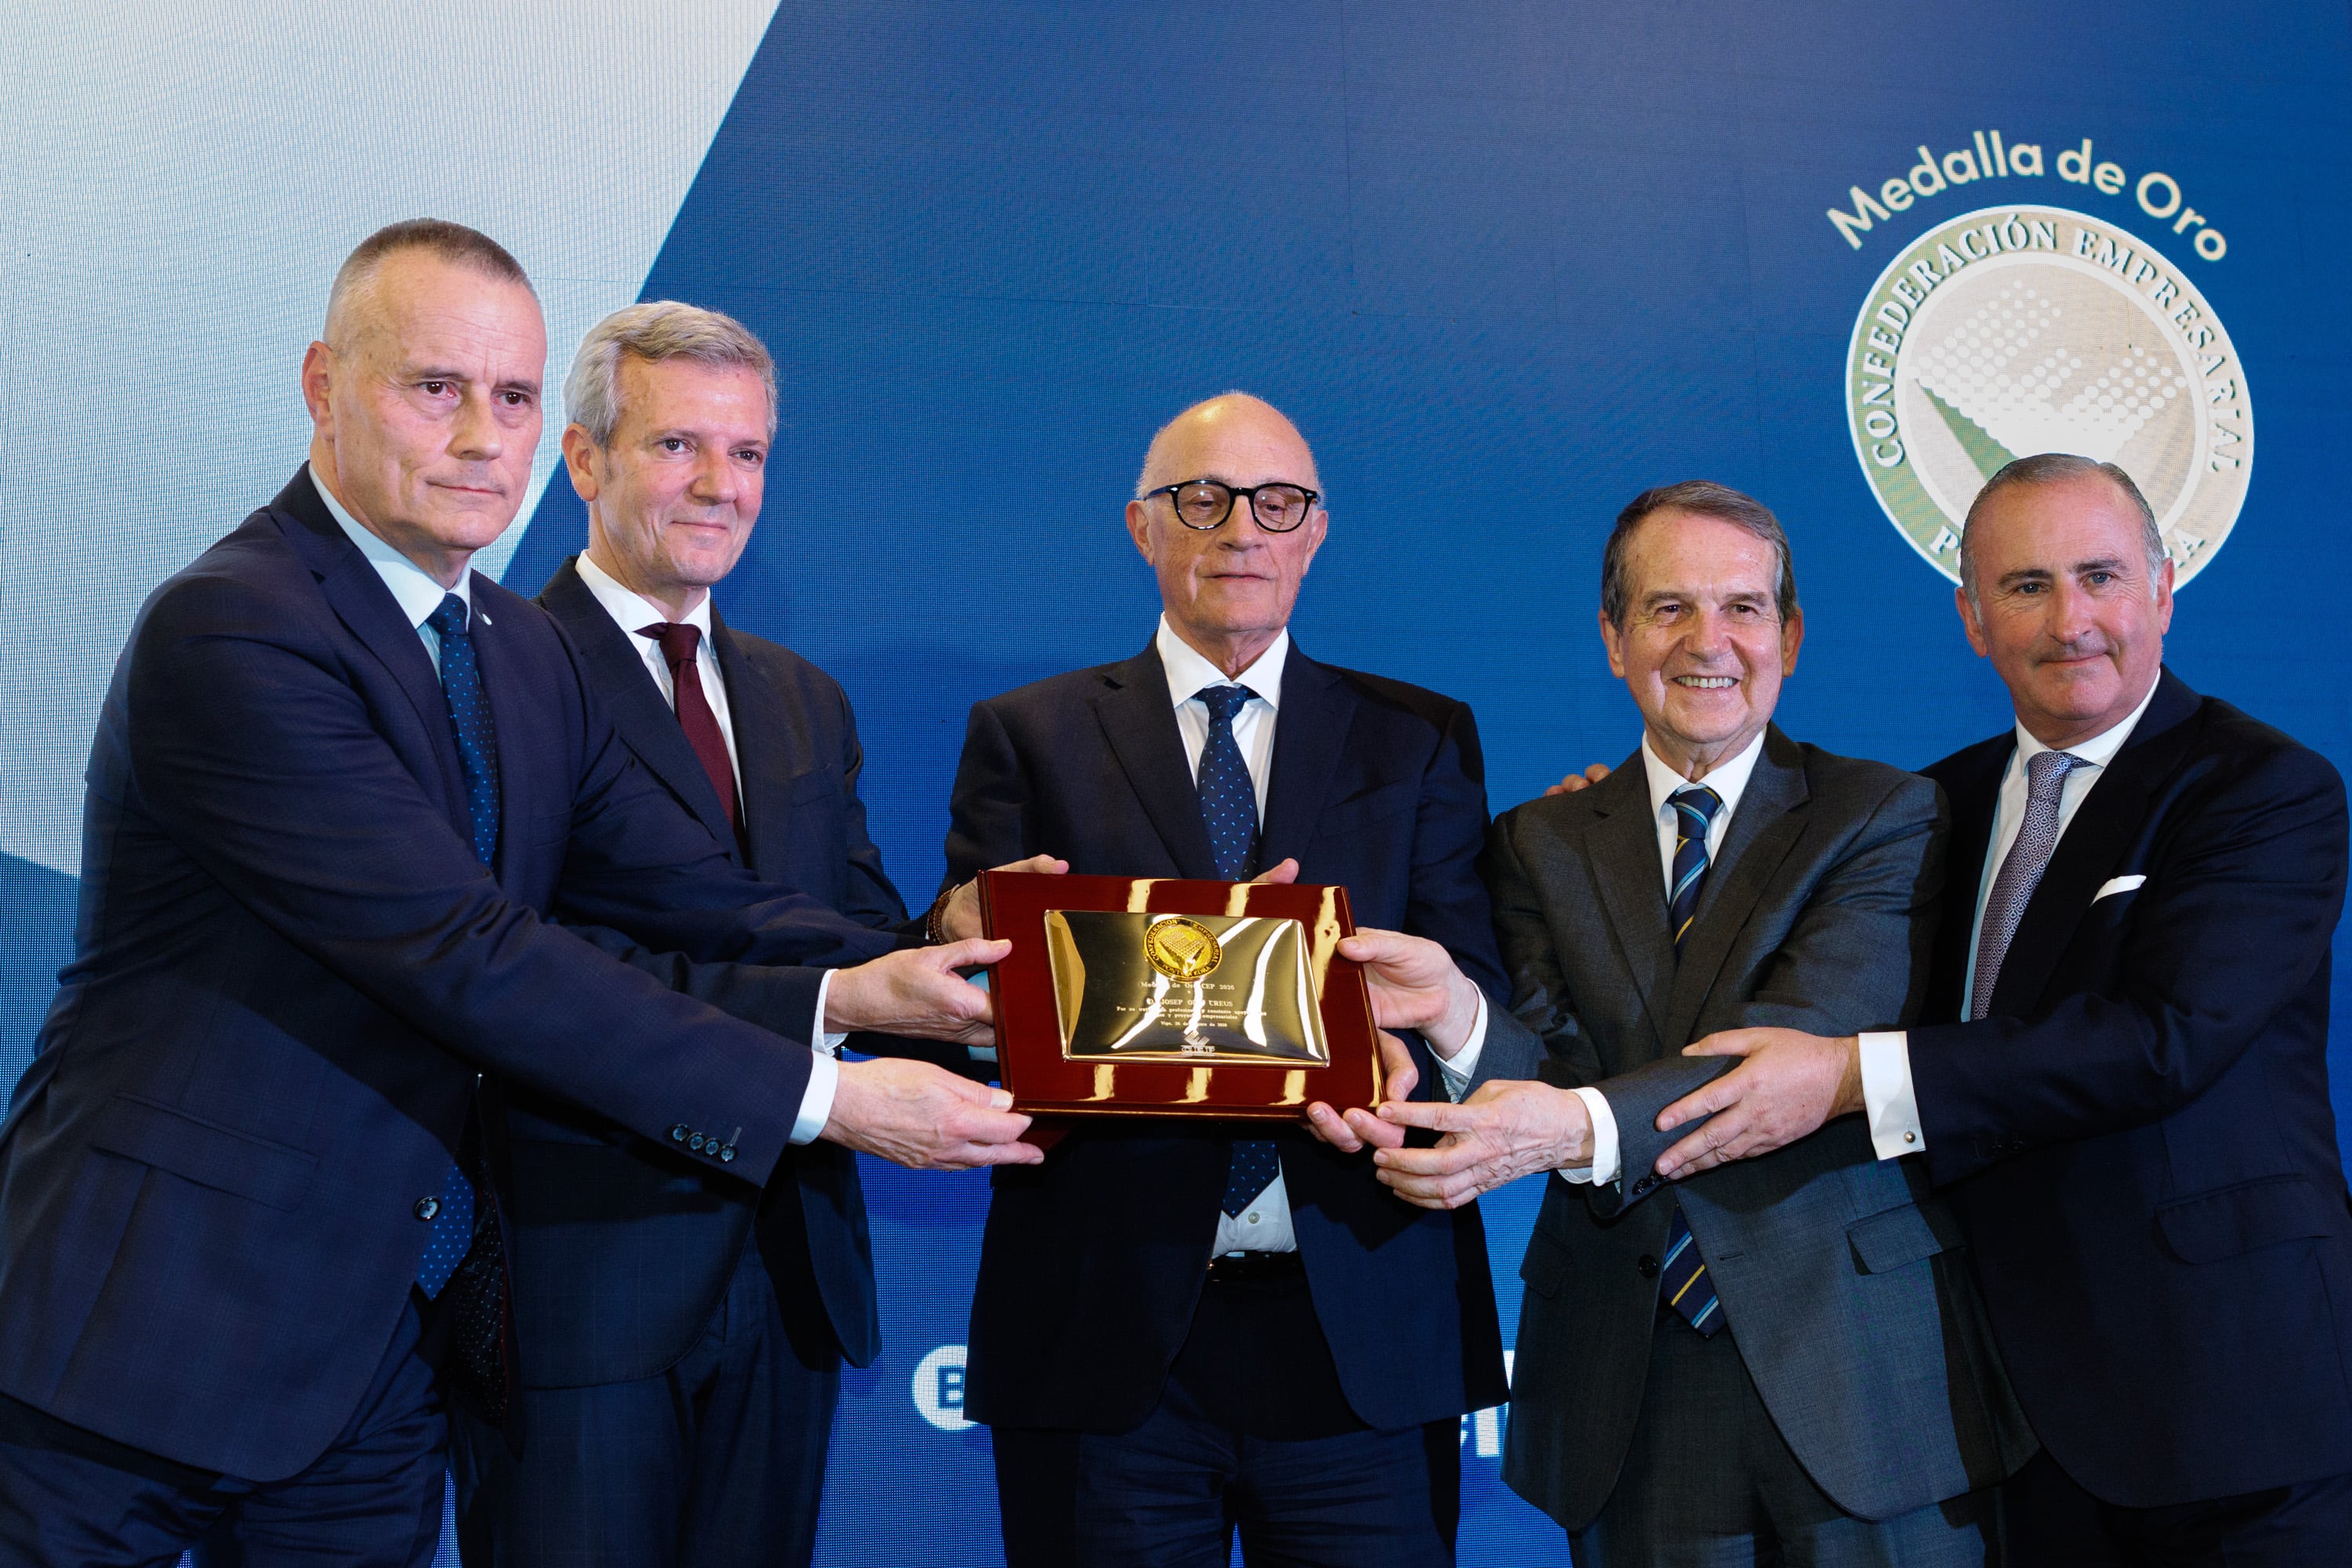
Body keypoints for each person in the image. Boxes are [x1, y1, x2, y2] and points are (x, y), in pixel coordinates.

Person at [0, 221, 1037, 1566]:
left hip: (380, 1355)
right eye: (437, 388)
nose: (483, 436)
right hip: (148, 1333)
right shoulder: (238, 626)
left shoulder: (507, 648)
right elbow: (470, 952)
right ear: (324, 386)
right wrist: (829, 1097)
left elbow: (691, 892)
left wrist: (899, 974)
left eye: (512, 396)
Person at [1639, 454, 2352, 1565]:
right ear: (1972, 618)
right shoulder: (1932, 806)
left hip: (2227, 1409)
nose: (2070, 619)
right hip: (1999, 1412)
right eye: (2025, 586)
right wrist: (1639, 825)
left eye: (2101, 577)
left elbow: (2161, 1043)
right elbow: (1775, 950)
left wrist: (1849, 1078)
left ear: (2163, 590)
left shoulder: (2264, 789)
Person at [448, 299, 1058, 1567]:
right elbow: (522, 965)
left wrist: (958, 935)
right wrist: (846, 1006)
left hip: (790, 1277)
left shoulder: (801, 698)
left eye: (749, 455)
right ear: (584, 461)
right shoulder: (497, 669)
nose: (719, 487)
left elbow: (836, 939)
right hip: (581, 1281)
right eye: (678, 448)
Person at [1329, 482, 2031, 1564]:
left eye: (1745, 609)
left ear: (1790, 639)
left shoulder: (1886, 815)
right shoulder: (1538, 840)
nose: (1711, 641)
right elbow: (1546, 1061)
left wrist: (1573, 1128)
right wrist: (1460, 1014)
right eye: (1669, 609)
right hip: (1628, 1373)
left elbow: (1792, 1042)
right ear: (1614, 639)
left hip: (1858, 1374)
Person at [938, 393, 1509, 1566]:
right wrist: (977, 951)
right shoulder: (1028, 735)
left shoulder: (1421, 738)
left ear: (1316, 532)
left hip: (1363, 1330)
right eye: (1202, 499)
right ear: (1143, 528)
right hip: (1105, 1335)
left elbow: (1482, 1006)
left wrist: (1421, 1046)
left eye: (1276, 502)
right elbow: (965, 1025)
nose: (1241, 530)